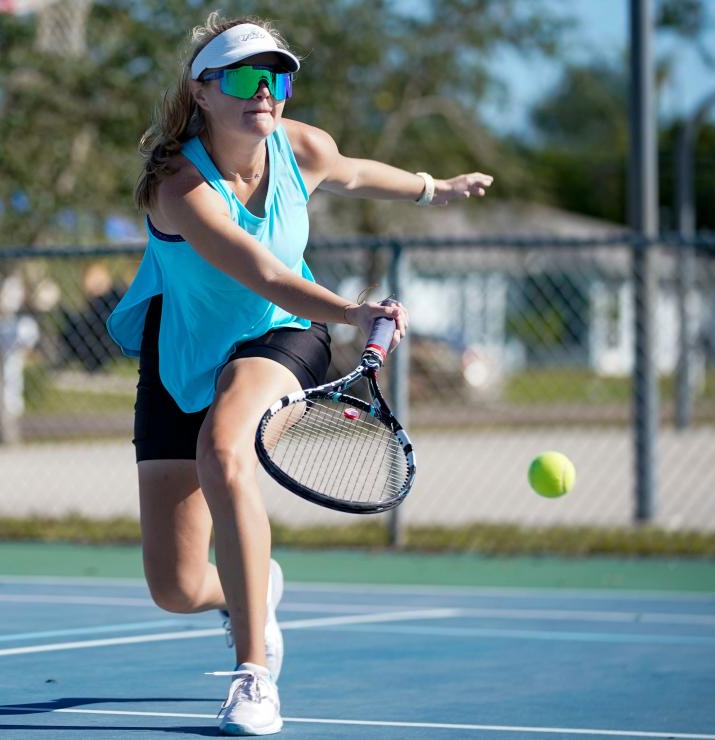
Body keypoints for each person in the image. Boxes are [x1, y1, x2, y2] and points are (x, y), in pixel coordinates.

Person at [106, 12, 492, 737]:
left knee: (225, 451)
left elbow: (351, 173)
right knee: (175, 586)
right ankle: (250, 590)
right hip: (181, 353)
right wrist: (357, 311)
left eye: (278, 77)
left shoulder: (300, 145)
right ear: (204, 92)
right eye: (249, 77)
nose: (268, 93)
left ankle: (253, 678)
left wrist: (432, 188)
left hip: (280, 336)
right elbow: (264, 269)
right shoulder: (178, 185)